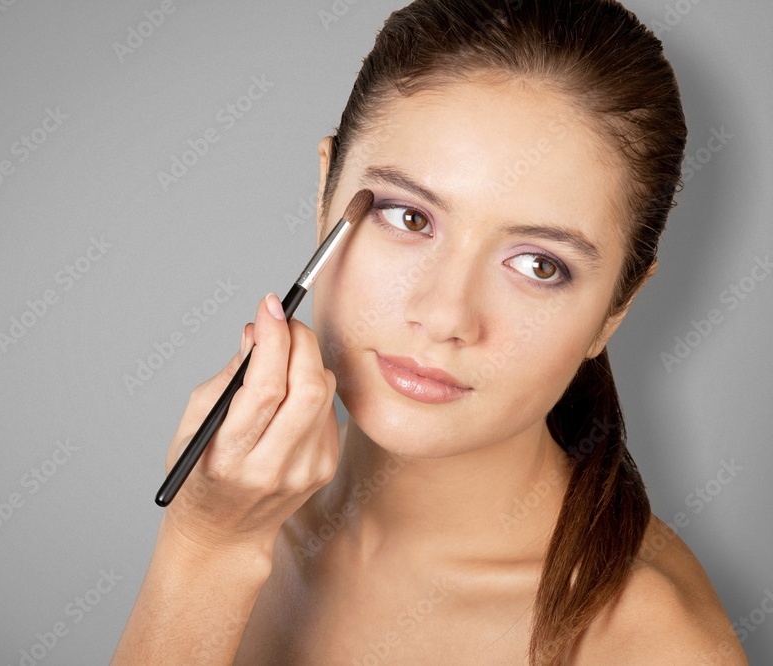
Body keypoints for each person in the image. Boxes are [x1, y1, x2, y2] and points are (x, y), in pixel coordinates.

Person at [112, 0, 748, 663]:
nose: (445, 315)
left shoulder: (651, 642)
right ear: (326, 190)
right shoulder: (244, 511)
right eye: (408, 218)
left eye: (539, 265)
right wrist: (207, 549)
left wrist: (207, 550)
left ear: (614, 311)